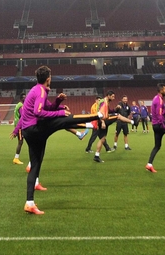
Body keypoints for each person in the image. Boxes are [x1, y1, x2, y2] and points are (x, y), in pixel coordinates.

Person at [14, 66, 101, 214]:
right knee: (63, 119)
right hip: (35, 130)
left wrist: (58, 101)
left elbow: (48, 107)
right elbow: (38, 112)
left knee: (35, 165)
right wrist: (60, 111)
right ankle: (96, 117)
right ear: (48, 78)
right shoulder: (40, 91)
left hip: (29, 131)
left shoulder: (37, 90)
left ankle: (29, 202)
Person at [93, 91, 133, 162]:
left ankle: (96, 155)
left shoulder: (106, 102)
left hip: (102, 121)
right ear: (108, 95)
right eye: (112, 96)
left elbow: (109, 111)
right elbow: (99, 113)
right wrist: (102, 122)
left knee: (102, 139)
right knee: (118, 116)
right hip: (102, 121)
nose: (114, 98)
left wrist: (116, 109)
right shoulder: (103, 102)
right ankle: (132, 122)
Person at [12, 93, 26, 164]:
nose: (25, 98)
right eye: (24, 97)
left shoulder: (18, 105)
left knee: (21, 142)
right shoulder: (21, 106)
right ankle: (16, 158)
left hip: (18, 126)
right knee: (20, 142)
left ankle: (16, 158)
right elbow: (23, 116)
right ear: (21, 98)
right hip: (20, 127)